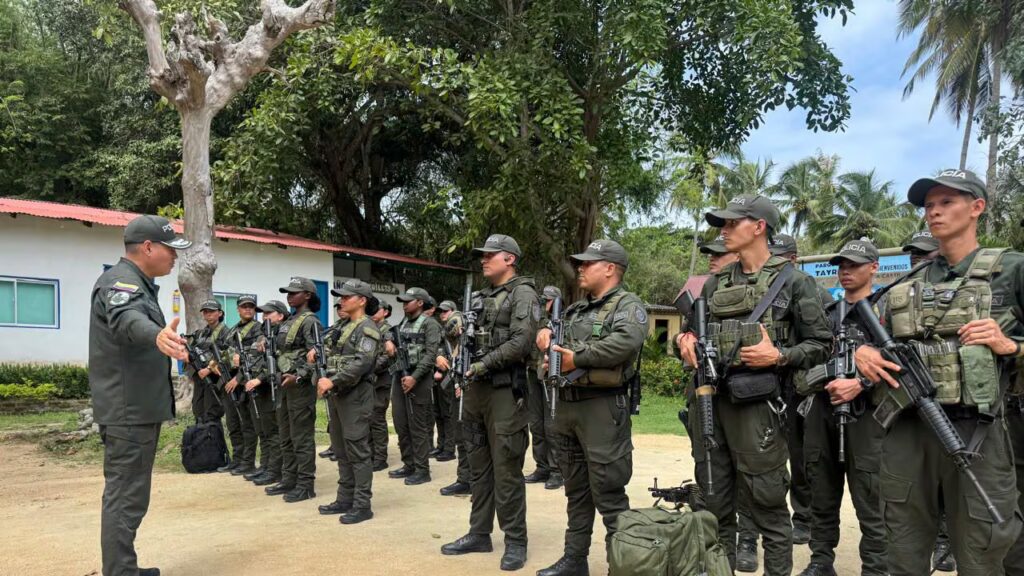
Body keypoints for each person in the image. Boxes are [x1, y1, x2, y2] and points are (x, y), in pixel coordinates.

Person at [855, 169, 1024, 575]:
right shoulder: (905, 284)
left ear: (977, 207)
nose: (934, 212)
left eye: (947, 202)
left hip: (978, 431)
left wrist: (1010, 345)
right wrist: (862, 353)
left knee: (981, 551)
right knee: (903, 549)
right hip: (908, 430)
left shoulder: (1012, 269)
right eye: (929, 205)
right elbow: (853, 338)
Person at [675, 195, 832, 576]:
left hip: (761, 410)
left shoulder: (795, 282)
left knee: (768, 508)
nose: (723, 230)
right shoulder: (713, 285)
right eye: (722, 224)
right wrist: (684, 342)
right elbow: (689, 332)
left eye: (731, 223)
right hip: (710, 404)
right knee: (715, 505)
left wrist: (778, 356)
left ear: (759, 227)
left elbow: (823, 343)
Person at [535, 240, 646, 576]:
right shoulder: (574, 310)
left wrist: (575, 358)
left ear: (610, 268)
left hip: (602, 409)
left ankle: (622, 567)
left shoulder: (628, 305)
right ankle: (575, 559)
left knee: (609, 492)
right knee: (577, 491)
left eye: (588, 263)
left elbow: (625, 342)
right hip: (567, 406)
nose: (580, 268)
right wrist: (545, 340)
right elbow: (553, 350)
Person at [89, 214, 191, 576]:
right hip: (128, 411)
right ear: (148, 247)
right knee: (125, 498)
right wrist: (156, 335)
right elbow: (127, 318)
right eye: (170, 250)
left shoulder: (139, 283)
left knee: (130, 496)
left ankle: (123, 567)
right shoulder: (120, 283)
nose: (174, 258)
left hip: (136, 408)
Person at [441, 234, 538, 572]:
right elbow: (464, 337)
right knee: (478, 466)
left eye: (490, 255)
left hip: (503, 392)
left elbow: (522, 343)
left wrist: (481, 364)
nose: (483, 260)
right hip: (475, 391)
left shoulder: (522, 294)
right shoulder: (481, 297)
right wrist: (453, 328)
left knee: (506, 467)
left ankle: (516, 541)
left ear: (509, 259)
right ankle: (479, 533)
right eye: (482, 255)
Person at [797, 239, 886, 576]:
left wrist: (860, 383)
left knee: (871, 495)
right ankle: (821, 560)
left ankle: (876, 567)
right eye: (841, 265)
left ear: (874, 267)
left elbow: (900, 364)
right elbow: (805, 359)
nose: (845, 271)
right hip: (824, 411)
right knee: (821, 489)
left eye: (855, 265)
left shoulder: (885, 311)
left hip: (869, 414)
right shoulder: (826, 315)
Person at [900, 228, 956, 573]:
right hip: (911, 405)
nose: (917, 262)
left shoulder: (957, 292)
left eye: (924, 255)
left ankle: (947, 540)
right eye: (912, 256)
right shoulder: (897, 298)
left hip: (953, 403)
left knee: (952, 476)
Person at [315, 280, 382, 524]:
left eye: (347, 297)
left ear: (362, 300)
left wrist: (333, 382)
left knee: (357, 451)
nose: (342, 301)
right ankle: (345, 498)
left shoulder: (368, 328)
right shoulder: (343, 326)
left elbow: (362, 363)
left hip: (355, 396)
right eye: (341, 297)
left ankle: (362, 505)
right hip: (339, 394)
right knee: (341, 450)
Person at [263, 277, 322, 503]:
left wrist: (298, 376)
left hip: (299, 387)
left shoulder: (310, 322)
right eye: (288, 292)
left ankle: (306, 485)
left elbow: (315, 355)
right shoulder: (289, 320)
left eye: (294, 292)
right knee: (286, 435)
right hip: (283, 385)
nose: (289, 295)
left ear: (307, 295)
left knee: (301, 437)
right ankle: (289, 478)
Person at [387, 287, 441, 485]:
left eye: (408, 301)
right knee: (401, 423)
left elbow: (430, 354)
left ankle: (422, 469)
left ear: (419, 302)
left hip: (418, 379)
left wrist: (415, 378)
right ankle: (408, 464)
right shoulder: (402, 323)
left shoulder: (430, 324)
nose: (404, 304)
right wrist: (389, 343)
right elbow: (390, 337)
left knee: (417, 426)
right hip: (400, 376)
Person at [242, 300, 290, 487]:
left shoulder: (282, 336)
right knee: (263, 430)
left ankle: (274, 470)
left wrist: (260, 378)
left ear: (280, 315)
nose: (265, 317)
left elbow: (277, 363)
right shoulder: (264, 334)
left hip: (273, 387)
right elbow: (256, 358)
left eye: (269, 313)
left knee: (273, 432)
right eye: (263, 314)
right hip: (259, 389)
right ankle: (265, 466)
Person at [525, 285, 564, 492]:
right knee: (536, 424)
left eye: (548, 300)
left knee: (552, 426)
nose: (544, 303)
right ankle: (542, 467)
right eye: (543, 300)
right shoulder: (537, 321)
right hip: (533, 374)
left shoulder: (561, 322)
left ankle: (557, 470)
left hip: (551, 377)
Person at [222, 296, 264, 481]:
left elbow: (254, 357)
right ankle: (238, 459)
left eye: (250, 307)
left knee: (248, 425)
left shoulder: (259, 329)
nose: (247, 310)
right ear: (237, 309)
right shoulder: (233, 329)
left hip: (247, 381)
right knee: (234, 424)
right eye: (244, 307)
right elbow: (226, 352)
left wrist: (237, 379)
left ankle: (248, 462)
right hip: (232, 382)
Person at [437, 299, 474, 496]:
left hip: (471, 390)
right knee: (460, 435)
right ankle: (464, 479)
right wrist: (439, 355)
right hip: (456, 388)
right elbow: (441, 347)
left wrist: (465, 383)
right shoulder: (450, 335)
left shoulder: (469, 335)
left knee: (471, 437)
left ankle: (475, 479)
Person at [370, 302, 394, 471]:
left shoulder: (388, 331)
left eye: (376, 309)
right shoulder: (370, 328)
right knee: (368, 418)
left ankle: (380, 457)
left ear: (385, 312)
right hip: (369, 381)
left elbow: (386, 357)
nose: (373, 312)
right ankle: (371, 454)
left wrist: (366, 368)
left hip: (381, 381)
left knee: (377, 418)